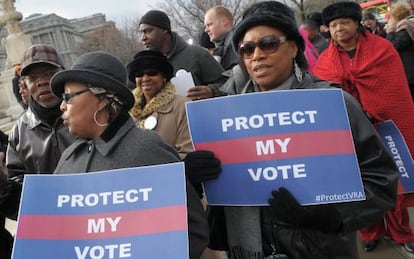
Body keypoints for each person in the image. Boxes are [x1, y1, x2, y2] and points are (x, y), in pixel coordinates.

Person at [208, 1, 398, 258]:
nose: (257, 55)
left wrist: (329, 215)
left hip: (319, 248)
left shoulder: (333, 104)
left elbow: (381, 180)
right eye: (247, 48)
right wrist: (202, 179)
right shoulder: (224, 117)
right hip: (251, 249)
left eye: (268, 43)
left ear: (294, 46)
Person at [50, 51, 209, 259]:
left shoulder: (146, 149)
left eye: (68, 97)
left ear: (101, 99)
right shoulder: (69, 156)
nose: (62, 106)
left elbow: (191, 232)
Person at [314, 1, 414, 253]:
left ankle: (401, 232)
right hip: (352, 132)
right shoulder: (326, 60)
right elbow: (325, 96)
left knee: (394, 179)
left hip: (386, 127)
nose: (339, 29)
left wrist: (373, 109)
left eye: (344, 23)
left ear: (357, 24)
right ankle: (370, 231)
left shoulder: (383, 49)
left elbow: (393, 90)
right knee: (359, 180)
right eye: (333, 25)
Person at [5, 44, 75, 219]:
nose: (42, 81)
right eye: (32, 77)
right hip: (49, 225)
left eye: (50, 74)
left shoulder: (90, 116)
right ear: (25, 86)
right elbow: (17, 197)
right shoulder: (19, 131)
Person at [138, 10, 227, 101]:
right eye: (141, 33)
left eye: (148, 31)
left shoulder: (197, 54)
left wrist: (211, 91)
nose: (143, 38)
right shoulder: (144, 64)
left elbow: (226, 84)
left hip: (194, 113)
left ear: (165, 30)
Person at [127, 50, 193, 159]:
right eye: (139, 74)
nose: (145, 79)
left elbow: (187, 151)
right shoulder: (127, 109)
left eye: (152, 73)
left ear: (164, 76)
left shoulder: (183, 105)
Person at [386, 3, 414, 99]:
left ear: (396, 16)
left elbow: (392, 46)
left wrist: (390, 31)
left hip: (409, 74)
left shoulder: (406, 27)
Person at [204, 5, 238, 71]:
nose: (206, 30)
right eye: (206, 26)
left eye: (209, 24)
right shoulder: (223, 47)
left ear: (224, 22)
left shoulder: (235, 45)